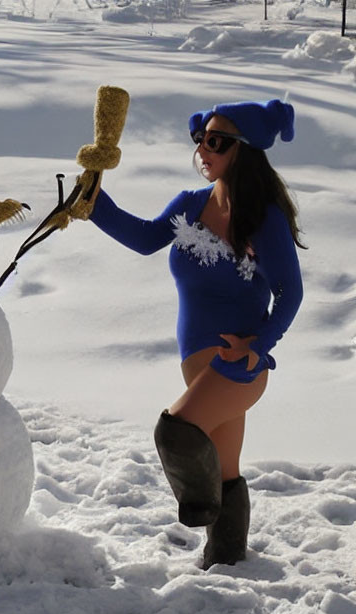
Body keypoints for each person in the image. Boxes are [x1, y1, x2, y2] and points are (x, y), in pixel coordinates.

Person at [86, 99, 304, 569]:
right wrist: (93, 201)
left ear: (243, 149)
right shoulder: (191, 204)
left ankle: (200, 512)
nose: (203, 149)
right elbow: (145, 238)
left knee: (178, 434)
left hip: (236, 367)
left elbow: (291, 293)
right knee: (225, 472)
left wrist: (258, 345)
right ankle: (225, 562)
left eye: (216, 141)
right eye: (200, 139)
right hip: (201, 367)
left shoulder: (263, 218)